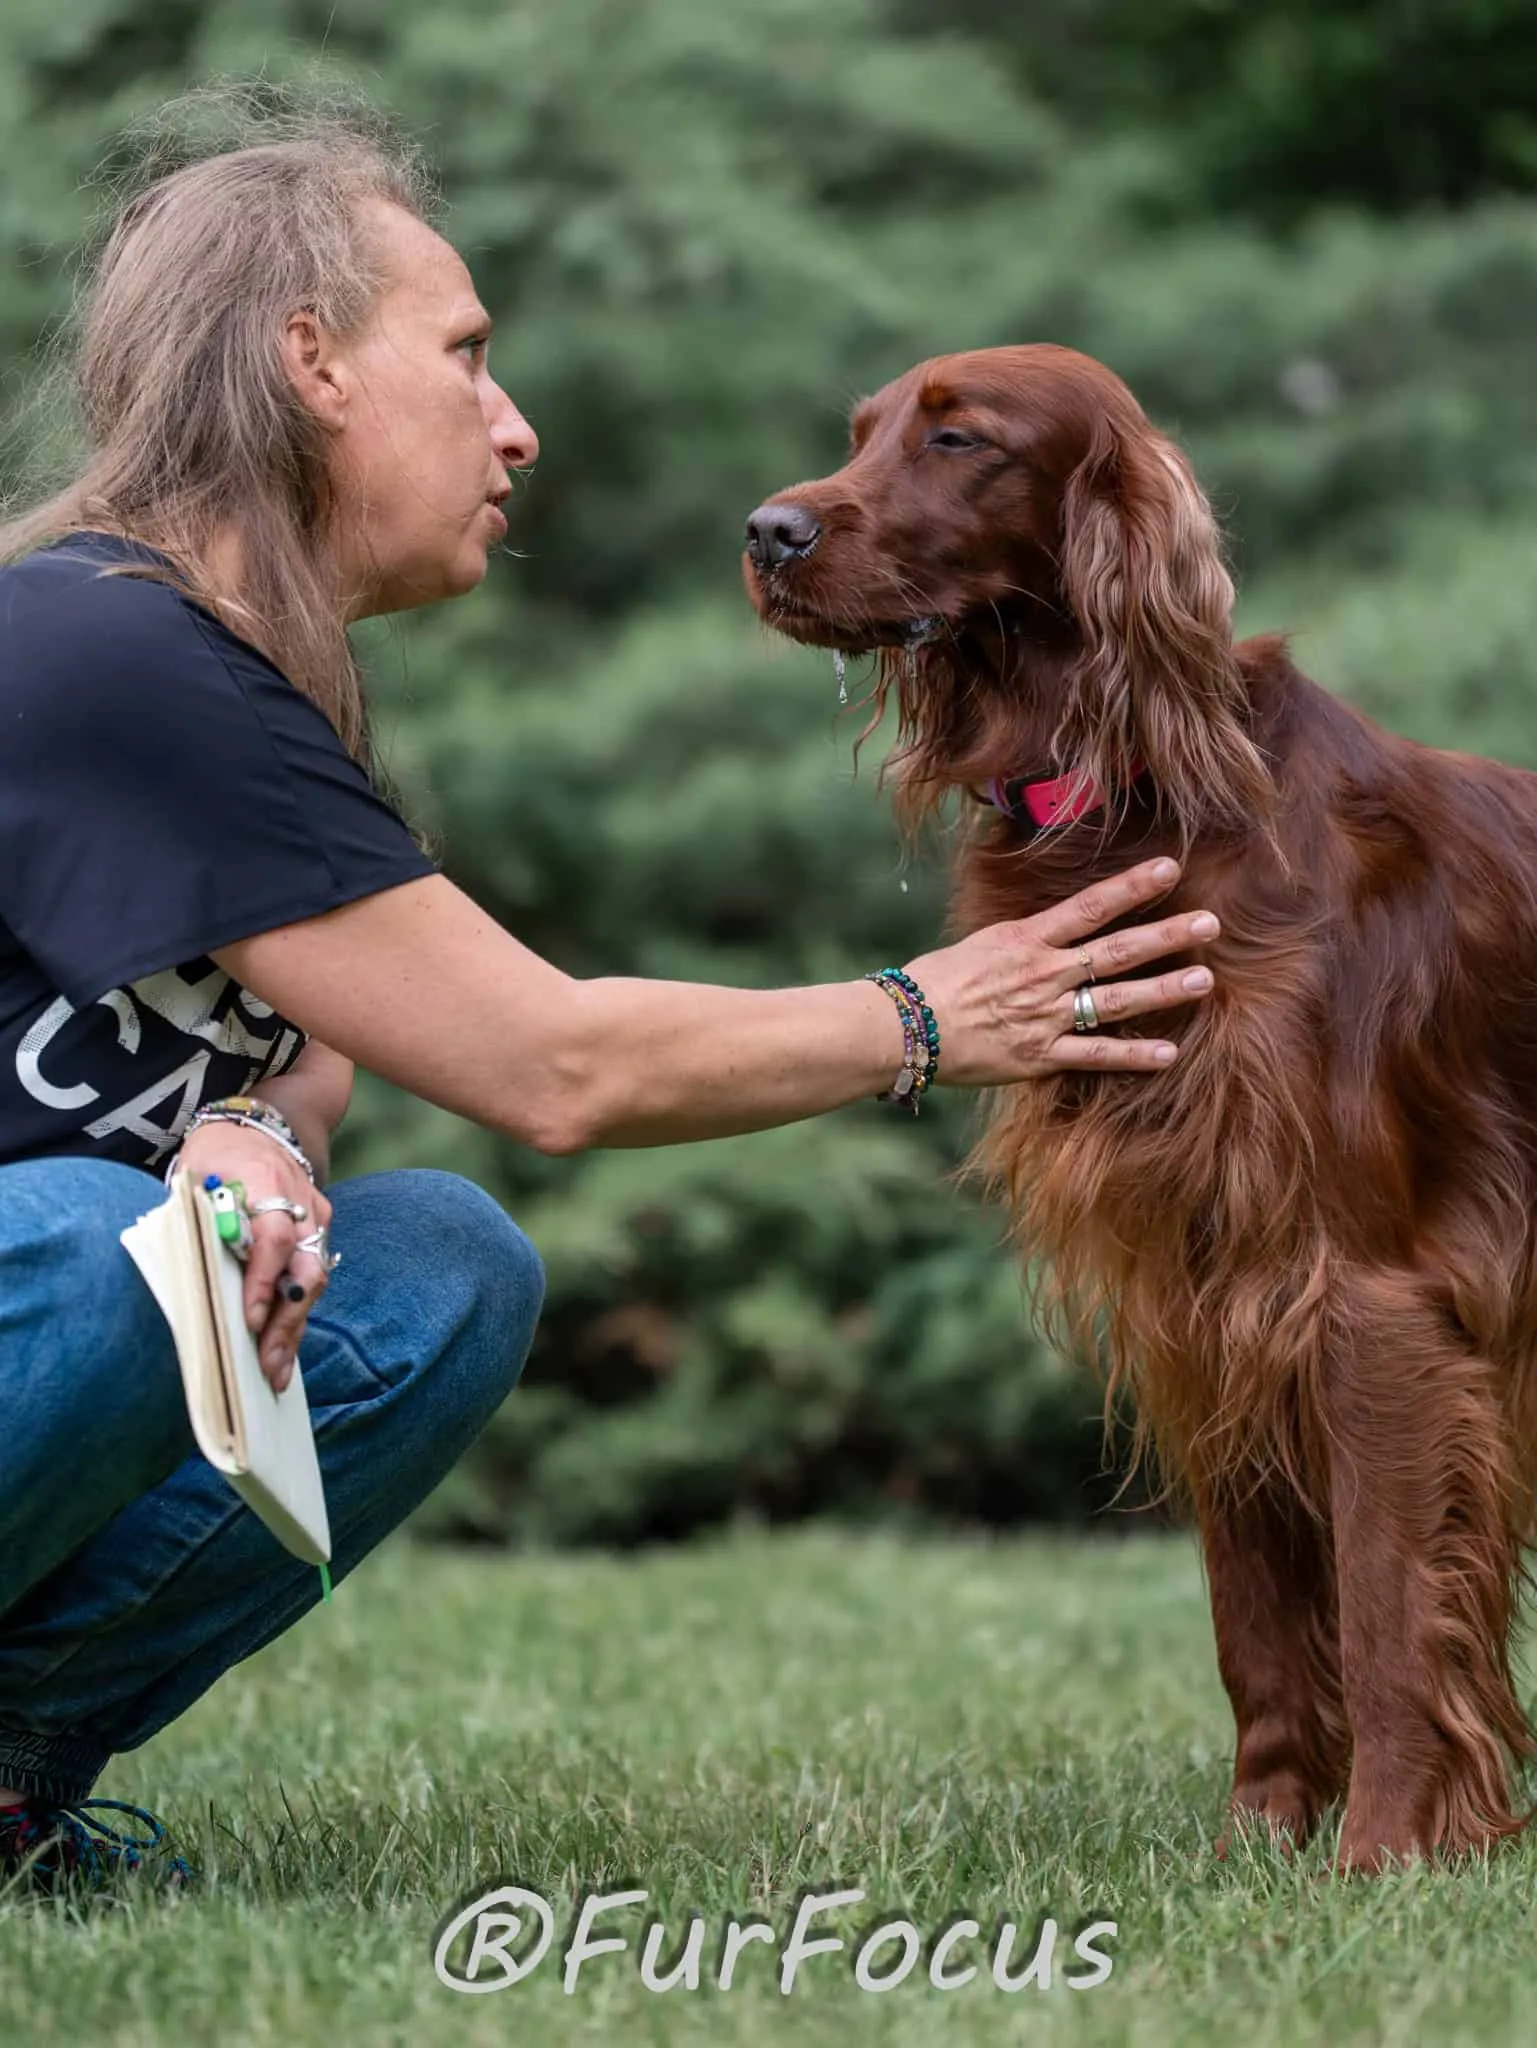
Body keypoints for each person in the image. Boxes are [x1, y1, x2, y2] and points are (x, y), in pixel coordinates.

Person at [0, 113, 1220, 1890]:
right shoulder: (98, 645)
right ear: (311, 366)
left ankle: (12, 1781)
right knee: (82, 1247)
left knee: (437, 1272)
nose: (517, 426)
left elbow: (316, 1029)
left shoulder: (235, 676)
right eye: (469, 356)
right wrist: (925, 1015)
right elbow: (546, 1061)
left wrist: (251, 1130)